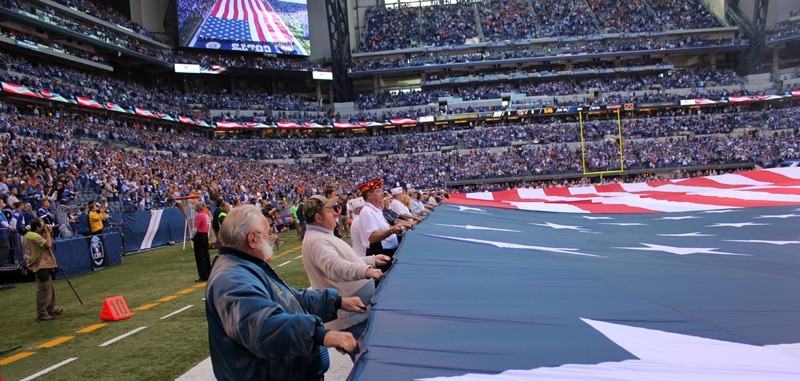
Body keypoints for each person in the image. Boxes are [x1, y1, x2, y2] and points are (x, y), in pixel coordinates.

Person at [206, 205, 363, 380]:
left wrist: (335, 301)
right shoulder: (231, 279)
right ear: (252, 239)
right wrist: (319, 334)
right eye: (267, 236)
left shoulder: (244, 266)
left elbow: (286, 297)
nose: (271, 241)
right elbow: (261, 326)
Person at [301, 195, 390, 351]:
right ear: (318, 217)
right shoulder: (317, 240)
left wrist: (372, 260)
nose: (336, 213)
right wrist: (367, 271)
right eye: (330, 210)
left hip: (356, 314)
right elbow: (335, 267)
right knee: (370, 357)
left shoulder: (322, 235)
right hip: (351, 319)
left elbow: (347, 260)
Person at [24, 218, 62, 321]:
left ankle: (50, 307)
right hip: (40, 264)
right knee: (44, 289)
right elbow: (48, 245)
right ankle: (42, 313)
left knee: (49, 287)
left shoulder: (28, 235)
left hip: (41, 263)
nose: (44, 227)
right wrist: (48, 233)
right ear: (37, 227)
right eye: (42, 226)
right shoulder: (33, 236)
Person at [356, 179, 404, 260]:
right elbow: (372, 237)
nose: (382, 194)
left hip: (387, 251)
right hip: (380, 253)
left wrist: (395, 228)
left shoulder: (376, 210)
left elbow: (384, 228)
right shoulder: (367, 212)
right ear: (369, 195)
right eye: (378, 192)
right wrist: (392, 231)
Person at [192, 202, 211, 282]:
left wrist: (192, 236)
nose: (195, 208)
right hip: (205, 235)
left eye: (196, 207)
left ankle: (203, 275)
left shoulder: (199, 215)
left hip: (199, 235)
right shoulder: (206, 215)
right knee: (206, 254)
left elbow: (195, 228)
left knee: (200, 256)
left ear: (199, 208)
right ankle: (208, 272)